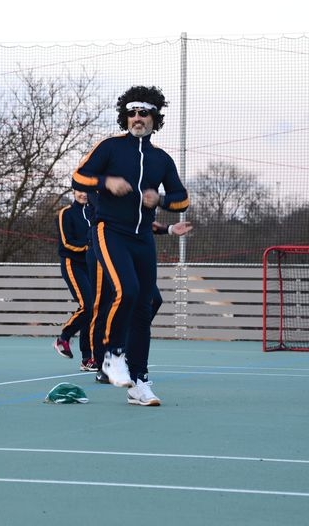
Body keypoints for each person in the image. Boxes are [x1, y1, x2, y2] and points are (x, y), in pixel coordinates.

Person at [73, 85, 189, 406]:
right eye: (132, 113)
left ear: (155, 118)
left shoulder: (161, 159)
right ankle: (111, 354)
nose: (137, 118)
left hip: (142, 239)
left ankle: (140, 382)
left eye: (144, 113)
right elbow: (78, 178)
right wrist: (104, 182)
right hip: (109, 231)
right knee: (127, 290)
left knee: (144, 306)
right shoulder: (110, 147)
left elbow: (182, 198)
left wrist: (161, 199)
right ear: (125, 117)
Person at [89, 218, 193, 385]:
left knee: (151, 301)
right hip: (109, 246)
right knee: (114, 302)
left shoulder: (140, 197)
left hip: (134, 249)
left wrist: (168, 228)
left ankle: (135, 368)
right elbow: (113, 215)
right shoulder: (99, 198)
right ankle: (105, 363)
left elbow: (138, 217)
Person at [53, 187, 95, 369]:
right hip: (73, 264)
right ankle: (63, 338)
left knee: (93, 309)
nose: (83, 194)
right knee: (87, 305)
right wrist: (89, 246)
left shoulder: (95, 212)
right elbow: (67, 242)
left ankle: (88, 359)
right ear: (74, 191)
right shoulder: (65, 214)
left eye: (87, 190)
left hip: (92, 265)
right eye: (80, 190)